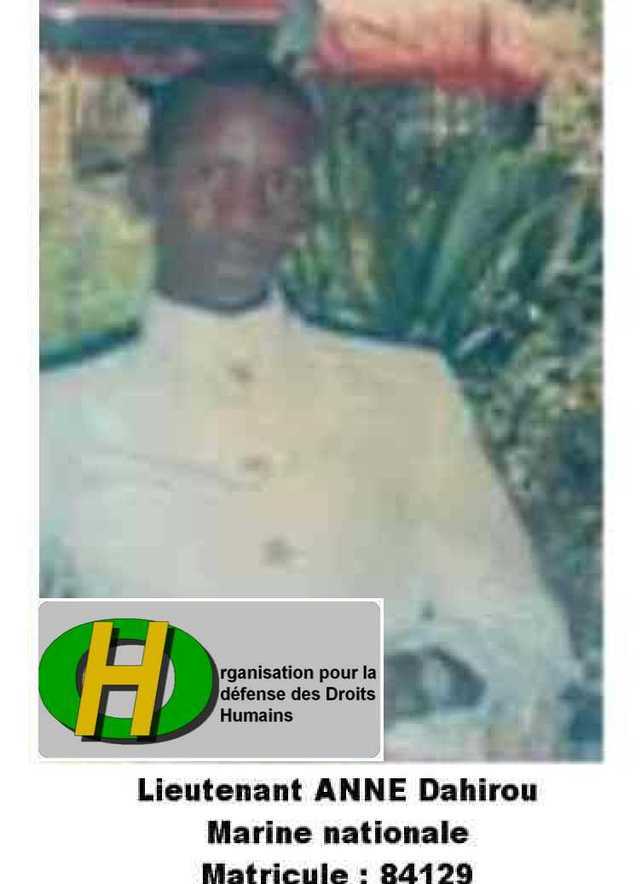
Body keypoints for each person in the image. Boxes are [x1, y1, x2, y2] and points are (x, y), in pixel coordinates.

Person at [41, 58, 578, 759]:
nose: (245, 213)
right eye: (212, 174)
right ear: (148, 188)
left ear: (306, 209)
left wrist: (422, 681)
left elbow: (526, 636)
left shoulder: (409, 394)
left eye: (281, 182)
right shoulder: (52, 415)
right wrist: (345, 689)